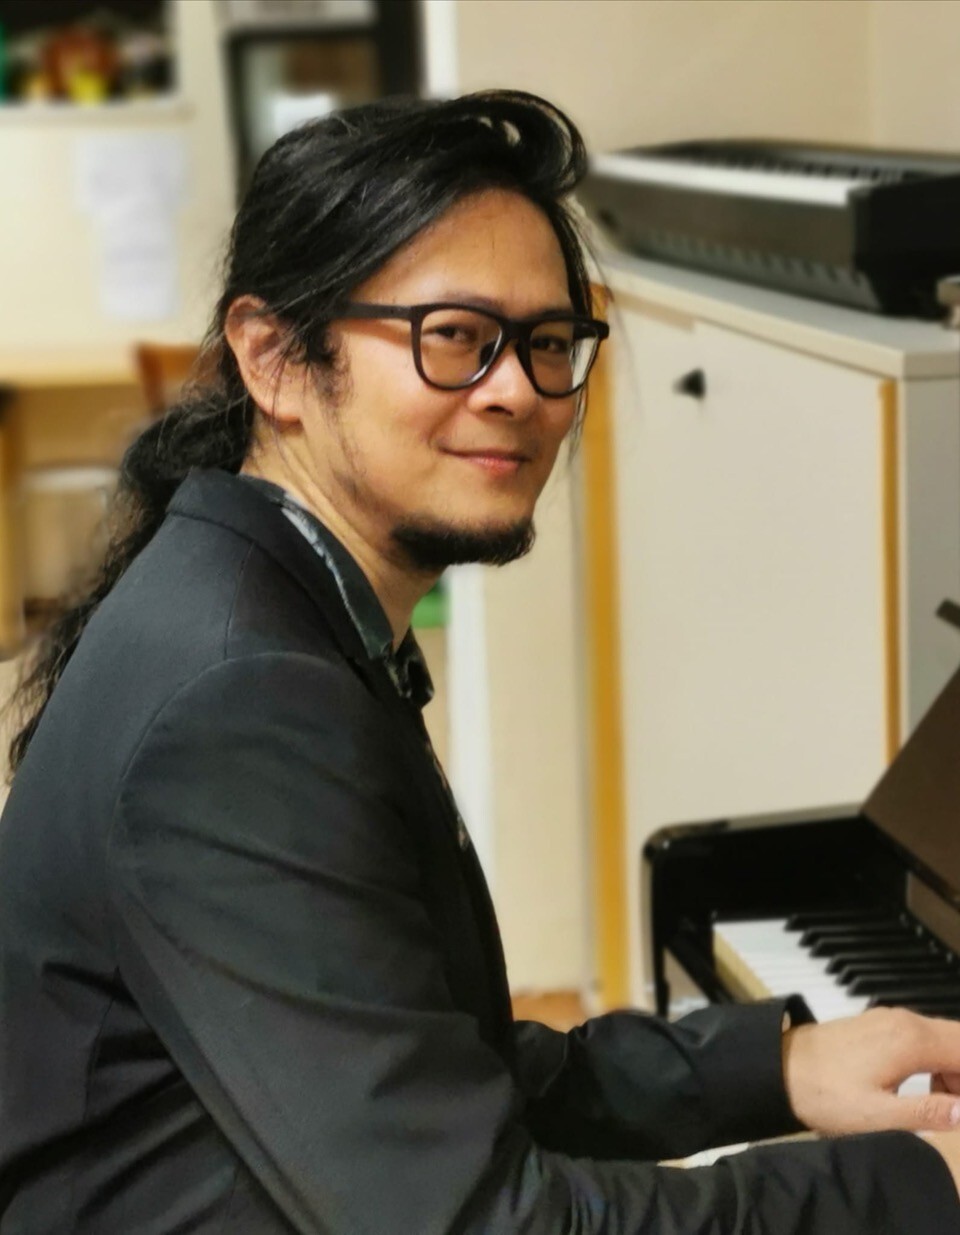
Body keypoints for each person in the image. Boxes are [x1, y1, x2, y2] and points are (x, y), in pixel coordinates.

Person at [1, 90, 960, 1235]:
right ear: (274, 358)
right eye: (454, 336)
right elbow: (478, 1220)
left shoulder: (264, 597)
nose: (516, 390)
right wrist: (925, 1182)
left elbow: (422, 1061)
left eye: (548, 342)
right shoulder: (239, 692)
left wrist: (780, 1065)